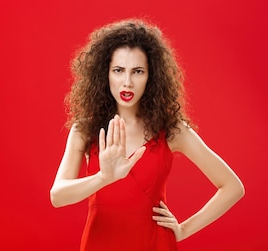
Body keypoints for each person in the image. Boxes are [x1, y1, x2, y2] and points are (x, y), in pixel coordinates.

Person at [49, 19, 245, 250]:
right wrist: (104, 177)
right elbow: (57, 197)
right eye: (118, 70)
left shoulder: (173, 130)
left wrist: (183, 230)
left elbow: (233, 187)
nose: (127, 82)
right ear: (105, 74)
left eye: (138, 71)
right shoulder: (85, 130)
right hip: (99, 242)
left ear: (151, 77)